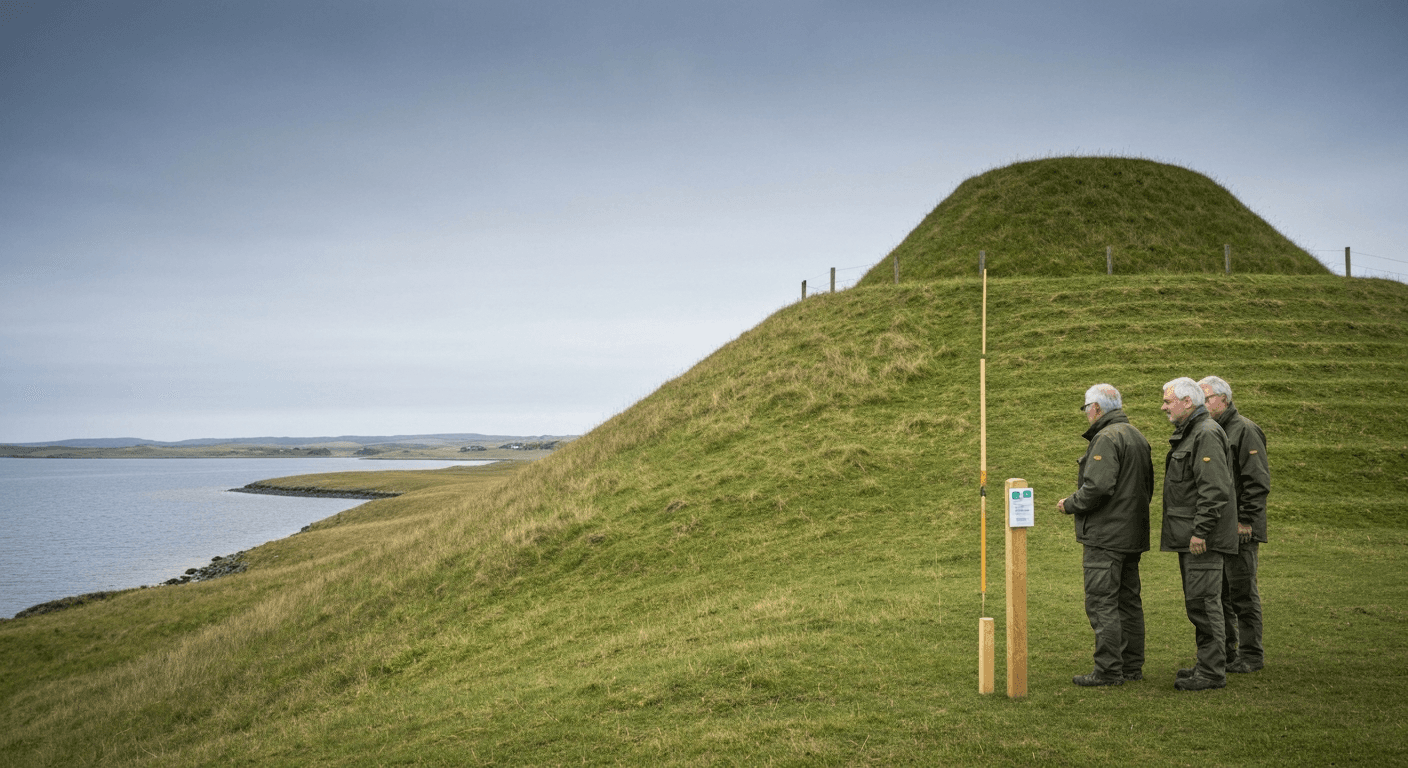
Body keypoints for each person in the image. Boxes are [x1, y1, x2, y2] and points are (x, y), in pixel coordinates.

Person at [1058, 384, 1154, 687]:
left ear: (1096, 408)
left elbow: (1098, 487)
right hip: (1131, 534)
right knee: (1128, 602)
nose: (1086, 414)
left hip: (1106, 536)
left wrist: (1070, 504)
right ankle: (1131, 666)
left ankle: (1109, 670)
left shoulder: (1106, 437)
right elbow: (1147, 487)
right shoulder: (1136, 436)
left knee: (1102, 603)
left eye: (1086, 408)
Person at [1159, 376, 1238, 691]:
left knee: (1205, 604)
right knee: (1199, 604)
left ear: (1187, 402)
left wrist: (1200, 531)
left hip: (1202, 540)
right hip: (1193, 537)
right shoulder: (1195, 432)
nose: (1163, 407)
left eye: (1168, 401)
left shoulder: (1204, 433)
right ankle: (1207, 664)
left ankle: (1212, 672)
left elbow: (1214, 489)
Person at [1199, 375, 1270, 674]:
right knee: (1221, 593)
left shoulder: (1245, 430)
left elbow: (1257, 481)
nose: (1203, 404)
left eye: (1207, 398)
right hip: (1223, 528)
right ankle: (1228, 652)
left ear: (1224, 399)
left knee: (1242, 592)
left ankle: (1251, 654)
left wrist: (1246, 520)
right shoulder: (1214, 430)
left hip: (1241, 530)